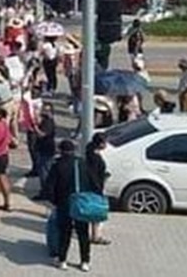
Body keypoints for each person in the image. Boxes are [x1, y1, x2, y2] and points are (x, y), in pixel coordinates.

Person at [44, 139, 97, 272]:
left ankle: (63, 261)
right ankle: (85, 261)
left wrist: (54, 201)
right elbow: (94, 182)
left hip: (65, 204)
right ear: (73, 150)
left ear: (61, 151)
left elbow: (49, 187)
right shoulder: (82, 163)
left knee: (64, 233)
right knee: (83, 233)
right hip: (81, 203)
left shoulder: (57, 165)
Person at [85, 133, 111, 246]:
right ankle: (96, 236)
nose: (106, 144)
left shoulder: (91, 151)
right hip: (95, 188)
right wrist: (99, 187)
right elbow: (93, 174)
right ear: (100, 143)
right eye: (105, 142)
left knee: (92, 211)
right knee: (96, 212)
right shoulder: (94, 157)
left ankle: (93, 234)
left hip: (92, 186)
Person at [31, 103, 57, 200]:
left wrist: (35, 128)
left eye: (46, 110)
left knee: (44, 172)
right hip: (42, 148)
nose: (44, 111)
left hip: (46, 149)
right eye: (43, 109)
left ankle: (46, 192)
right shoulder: (45, 120)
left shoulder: (49, 122)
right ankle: (46, 190)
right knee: (43, 170)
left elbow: (42, 134)